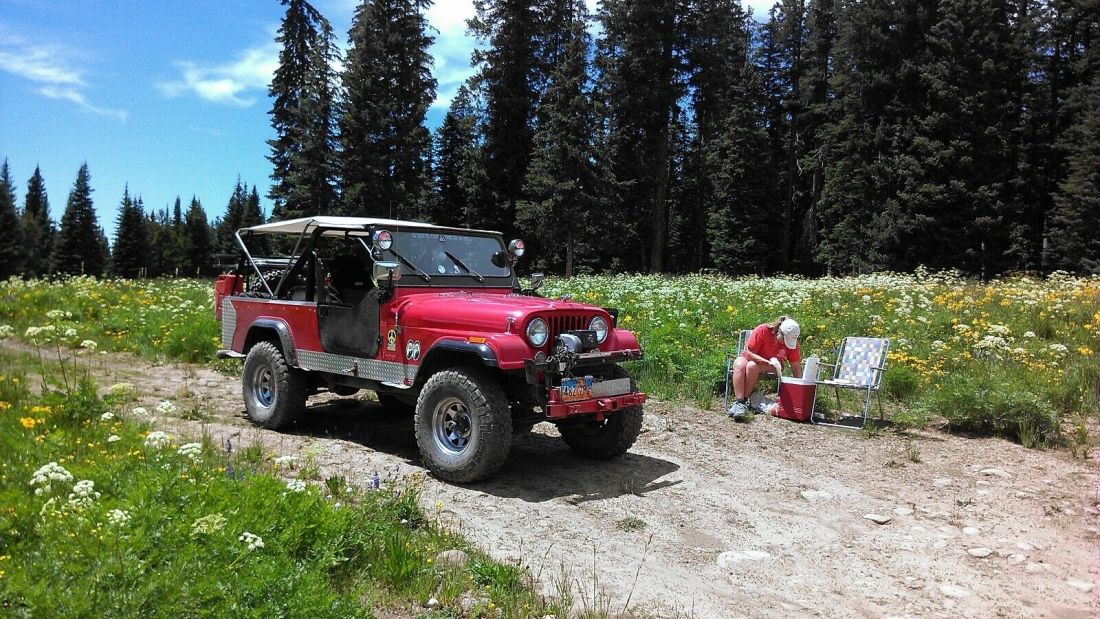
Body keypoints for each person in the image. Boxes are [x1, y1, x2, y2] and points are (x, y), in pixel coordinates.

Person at [728, 316, 802, 417]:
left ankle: (743, 401)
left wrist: (800, 390)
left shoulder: (793, 342)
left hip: (771, 366)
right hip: (755, 359)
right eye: (784, 340)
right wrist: (767, 362)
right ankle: (739, 402)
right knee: (739, 364)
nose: (785, 343)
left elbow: (796, 367)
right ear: (779, 332)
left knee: (752, 366)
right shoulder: (762, 330)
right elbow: (749, 353)